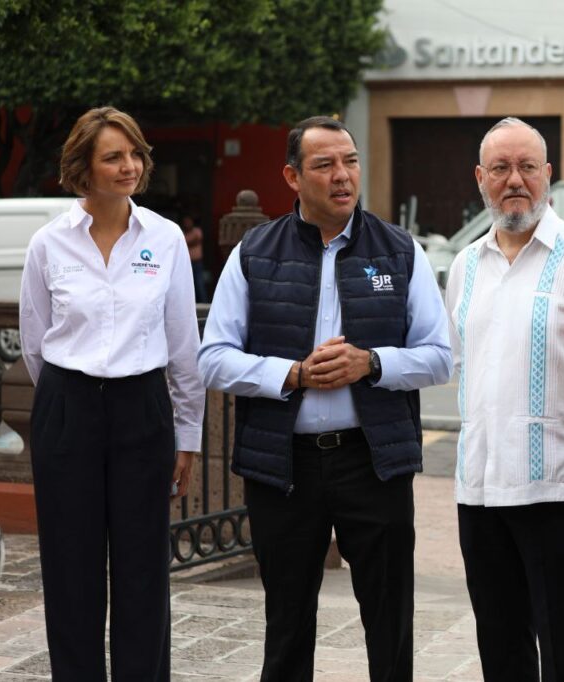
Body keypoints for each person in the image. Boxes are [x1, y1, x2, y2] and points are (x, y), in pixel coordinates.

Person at [197, 115, 451, 682]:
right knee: (287, 624)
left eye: (350, 161)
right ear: (292, 175)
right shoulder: (254, 253)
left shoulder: (398, 250)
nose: (342, 176)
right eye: (324, 165)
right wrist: (292, 375)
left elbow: (439, 356)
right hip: (284, 467)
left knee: (390, 622)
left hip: (373, 461)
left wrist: (373, 363)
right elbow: (212, 357)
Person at [19, 106, 204, 681]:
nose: (130, 166)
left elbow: (183, 344)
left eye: (135, 154)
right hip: (68, 408)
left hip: (142, 409)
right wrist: (67, 402)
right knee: (69, 566)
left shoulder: (166, 239)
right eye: (113, 156)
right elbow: (34, 341)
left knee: (143, 566)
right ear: (83, 168)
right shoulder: (48, 245)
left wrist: (188, 434)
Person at [445, 116, 564, 682]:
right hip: (478, 488)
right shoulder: (465, 265)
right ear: (480, 178)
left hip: (558, 488)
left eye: (527, 166)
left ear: (548, 174)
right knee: (500, 648)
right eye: (500, 168)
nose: (515, 180)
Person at [181, 214, 209, 302]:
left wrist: (188, 242)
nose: (187, 224)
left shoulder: (197, 231)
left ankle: (204, 302)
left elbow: (196, 239)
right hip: (187, 263)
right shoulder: (182, 233)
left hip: (197, 262)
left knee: (199, 283)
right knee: (187, 284)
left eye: (188, 222)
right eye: (185, 222)